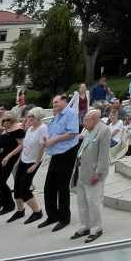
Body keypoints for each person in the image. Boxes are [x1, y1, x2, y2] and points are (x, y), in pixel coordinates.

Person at [38, 94, 80, 231]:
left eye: (56, 102)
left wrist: (54, 140)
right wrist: (47, 141)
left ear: (64, 101)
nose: (54, 104)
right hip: (55, 154)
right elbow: (51, 134)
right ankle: (52, 215)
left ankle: (64, 218)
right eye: (53, 102)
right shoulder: (56, 116)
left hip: (67, 153)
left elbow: (72, 133)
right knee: (49, 187)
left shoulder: (71, 113)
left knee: (62, 187)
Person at [71, 109, 111, 243]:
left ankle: (96, 229)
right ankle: (85, 226)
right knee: (81, 201)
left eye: (86, 120)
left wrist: (98, 173)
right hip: (82, 170)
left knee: (94, 202)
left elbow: (104, 155)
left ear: (95, 119)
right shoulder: (88, 130)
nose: (83, 123)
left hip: (94, 172)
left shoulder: (103, 130)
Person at [8, 108, 46, 223]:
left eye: (31, 117)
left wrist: (35, 164)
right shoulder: (29, 129)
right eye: (28, 117)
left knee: (24, 188)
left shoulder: (42, 128)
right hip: (24, 160)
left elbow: (42, 147)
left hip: (33, 161)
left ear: (38, 117)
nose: (28, 119)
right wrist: (19, 160)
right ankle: (20, 211)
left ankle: (37, 212)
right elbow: (25, 146)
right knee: (17, 186)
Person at [0, 114, 24, 215]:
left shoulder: (17, 130)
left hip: (9, 159)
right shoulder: (4, 131)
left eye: (8, 120)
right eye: (3, 121)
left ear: (12, 120)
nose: (5, 122)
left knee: (1, 183)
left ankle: (8, 205)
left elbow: (21, 146)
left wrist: (9, 156)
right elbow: (0, 148)